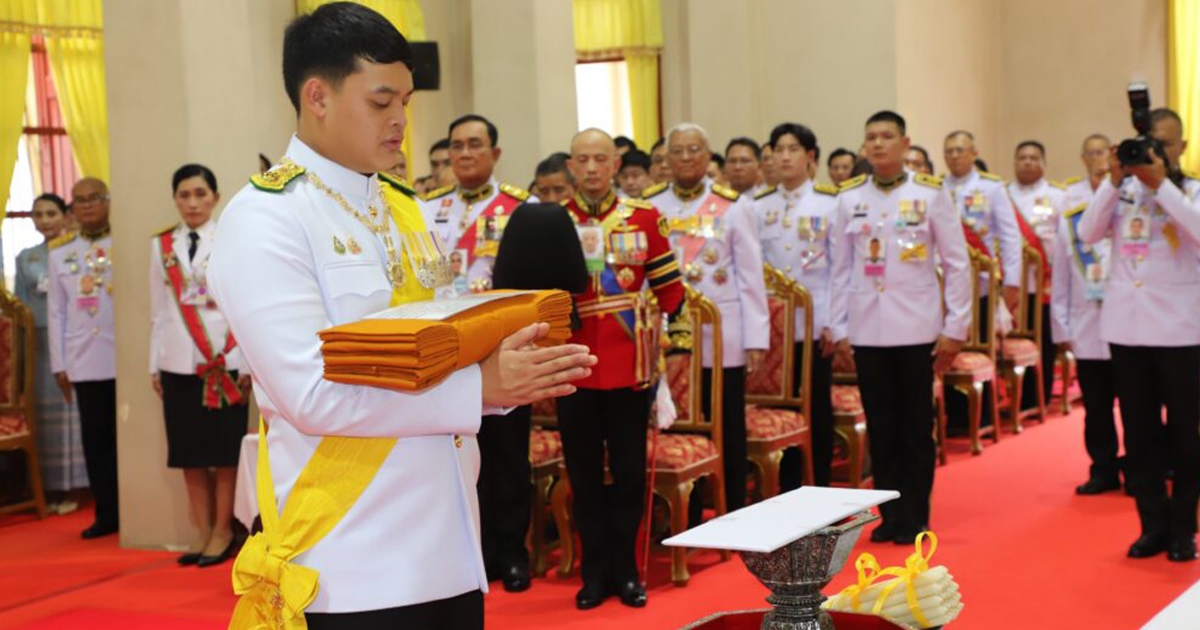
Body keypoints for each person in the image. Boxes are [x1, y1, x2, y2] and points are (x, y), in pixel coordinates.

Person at [207, 5, 596, 627]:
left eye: (406, 102)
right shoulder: (265, 219)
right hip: (352, 553)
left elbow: (440, 343)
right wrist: (479, 386)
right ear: (318, 97)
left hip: (447, 538)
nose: (401, 122)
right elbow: (310, 392)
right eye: (381, 102)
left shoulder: (400, 206)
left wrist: (502, 371)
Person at [830, 111, 971, 545]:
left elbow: (957, 261)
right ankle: (888, 514)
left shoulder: (929, 194)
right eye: (870, 137)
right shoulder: (848, 197)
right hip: (867, 329)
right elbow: (839, 267)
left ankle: (915, 515)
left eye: (886, 136)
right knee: (882, 425)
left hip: (916, 328)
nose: (877, 144)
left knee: (915, 427)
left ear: (905, 143)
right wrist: (837, 329)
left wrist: (956, 325)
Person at [560, 128, 683, 610]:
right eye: (582, 160)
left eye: (600, 159)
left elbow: (672, 292)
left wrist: (676, 349)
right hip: (572, 368)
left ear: (615, 164)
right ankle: (593, 574)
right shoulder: (552, 221)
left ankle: (629, 572)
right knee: (585, 476)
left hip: (631, 368)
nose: (591, 169)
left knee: (631, 475)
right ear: (571, 166)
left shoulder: (646, 217)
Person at [1077, 107, 1200, 563]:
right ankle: (1152, 526)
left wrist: (1158, 182)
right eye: (1149, 144)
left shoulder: (1190, 192)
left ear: (1181, 147)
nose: (1154, 152)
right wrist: (1113, 180)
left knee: (1186, 437)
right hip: (1128, 331)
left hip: (1181, 332)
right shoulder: (1120, 192)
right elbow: (1087, 233)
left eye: (1164, 144)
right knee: (1141, 434)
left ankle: (1184, 528)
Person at [646, 122, 769, 518]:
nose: (685, 158)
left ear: (708, 155)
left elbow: (751, 277)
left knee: (727, 424)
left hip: (723, 334)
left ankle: (734, 510)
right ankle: (684, 513)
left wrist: (756, 340)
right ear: (664, 159)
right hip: (666, 334)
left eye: (694, 150)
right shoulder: (649, 206)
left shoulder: (734, 206)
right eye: (676, 151)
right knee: (674, 421)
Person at [149, 164, 251, 568]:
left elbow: (244, 304)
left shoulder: (231, 239)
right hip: (178, 361)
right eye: (184, 195)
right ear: (175, 199)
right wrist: (154, 365)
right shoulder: (161, 245)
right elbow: (158, 310)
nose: (192, 203)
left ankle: (224, 531)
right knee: (190, 453)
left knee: (225, 453)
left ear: (216, 197)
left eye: (200, 194)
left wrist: (244, 364)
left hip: (225, 360)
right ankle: (202, 530)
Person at [754, 123, 838, 488]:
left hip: (814, 322)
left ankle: (818, 486)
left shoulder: (830, 203)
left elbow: (841, 269)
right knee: (778, 409)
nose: (785, 156)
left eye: (793, 149)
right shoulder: (758, 206)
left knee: (816, 408)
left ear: (810, 158)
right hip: (773, 328)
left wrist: (834, 322)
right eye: (778, 149)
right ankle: (784, 489)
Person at [48, 177, 117, 539]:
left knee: (127, 438)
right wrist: (59, 364)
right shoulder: (61, 252)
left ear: (107, 201)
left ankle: (132, 509)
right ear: (72, 208)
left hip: (122, 356)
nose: (88, 205)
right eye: (80, 201)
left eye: (95, 198)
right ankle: (106, 512)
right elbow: (56, 311)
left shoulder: (123, 242)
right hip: (84, 358)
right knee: (96, 438)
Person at [14, 193, 87, 513]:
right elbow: (18, 305)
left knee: (76, 412)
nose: (44, 220)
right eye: (38, 214)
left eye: (50, 213)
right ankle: (53, 487)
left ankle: (82, 484)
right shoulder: (26, 257)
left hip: (75, 339)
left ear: (65, 215)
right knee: (47, 416)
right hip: (40, 346)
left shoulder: (77, 251)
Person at [419, 114, 535, 296]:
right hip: (442, 312)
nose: (465, 154)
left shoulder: (523, 207)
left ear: (495, 154)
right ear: (450, 155)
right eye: (457, 147)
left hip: (498, 312)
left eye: (474, 145)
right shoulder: (429, 206)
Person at [1051, 196, 1119, 495]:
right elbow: (1060, 281)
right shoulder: (1072, 221)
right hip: (1088, 328)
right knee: (1096, 406)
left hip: (1131, 330)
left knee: (1139, 409)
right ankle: (1103, 469)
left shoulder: (1130, 213)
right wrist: (1061, 326)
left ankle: (1141, 468)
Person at [1008, 140, 1067, 404]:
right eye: (1022, 157)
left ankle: (1038, 395)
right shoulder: (1004, 194)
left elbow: (1064, 237)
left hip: (1043, 279)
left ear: (1043, 163)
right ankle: (1013, 396)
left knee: (1042, 337)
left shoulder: (1057, 195)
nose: (1027, 162)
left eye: (1033, 157)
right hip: (1012, 282)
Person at [1064, 134, 1112, 209]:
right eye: (1090, 153)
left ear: (1110, 155)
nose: (1094, 157)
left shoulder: (1120, 187)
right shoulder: (1070, 190)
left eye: (1099, 153)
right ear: (1083, 158)